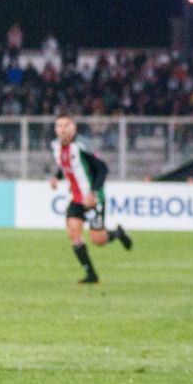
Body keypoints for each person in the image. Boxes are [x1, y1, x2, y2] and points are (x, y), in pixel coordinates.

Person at [49, 115, 131, 283]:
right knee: (73, 233)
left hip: (93, 199)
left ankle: (118, 233)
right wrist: (57, 177)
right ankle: (91, 275)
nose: (62, 129)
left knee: (98, 240)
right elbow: (64, 164)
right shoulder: (55, 146)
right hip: (76, 198)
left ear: (74, 128)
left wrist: (93, 193)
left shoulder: (81, 146)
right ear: (55, 129)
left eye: (66, 125)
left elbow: (102, 169)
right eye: (59, 126)